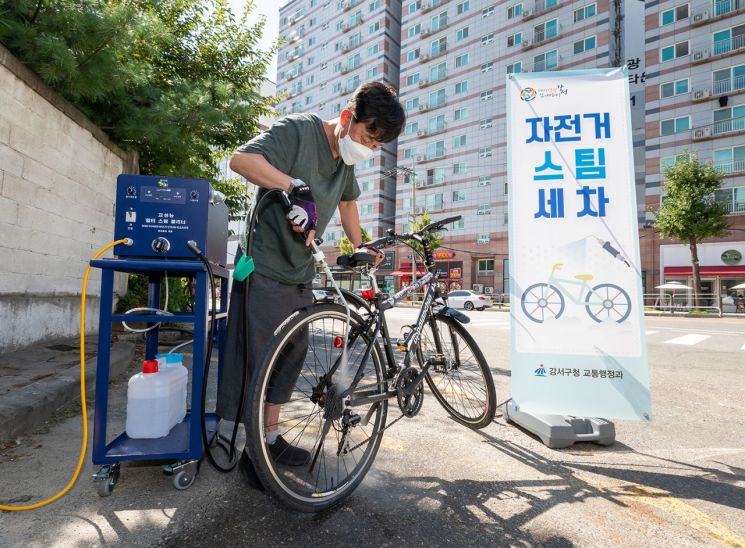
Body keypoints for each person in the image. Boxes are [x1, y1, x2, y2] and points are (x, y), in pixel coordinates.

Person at [216, 82, 406, 488]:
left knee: (289, 357)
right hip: (264, 264)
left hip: (300, 270)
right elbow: (241, 160)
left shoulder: (346, 160)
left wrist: (360, 244)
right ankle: (253, 451)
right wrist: (292, 186)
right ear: (345, 118)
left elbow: (348, 202)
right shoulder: (297, 131)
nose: (369, 148)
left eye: (378, 145)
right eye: (368, 136)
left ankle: (270, 438)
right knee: (259, 358)